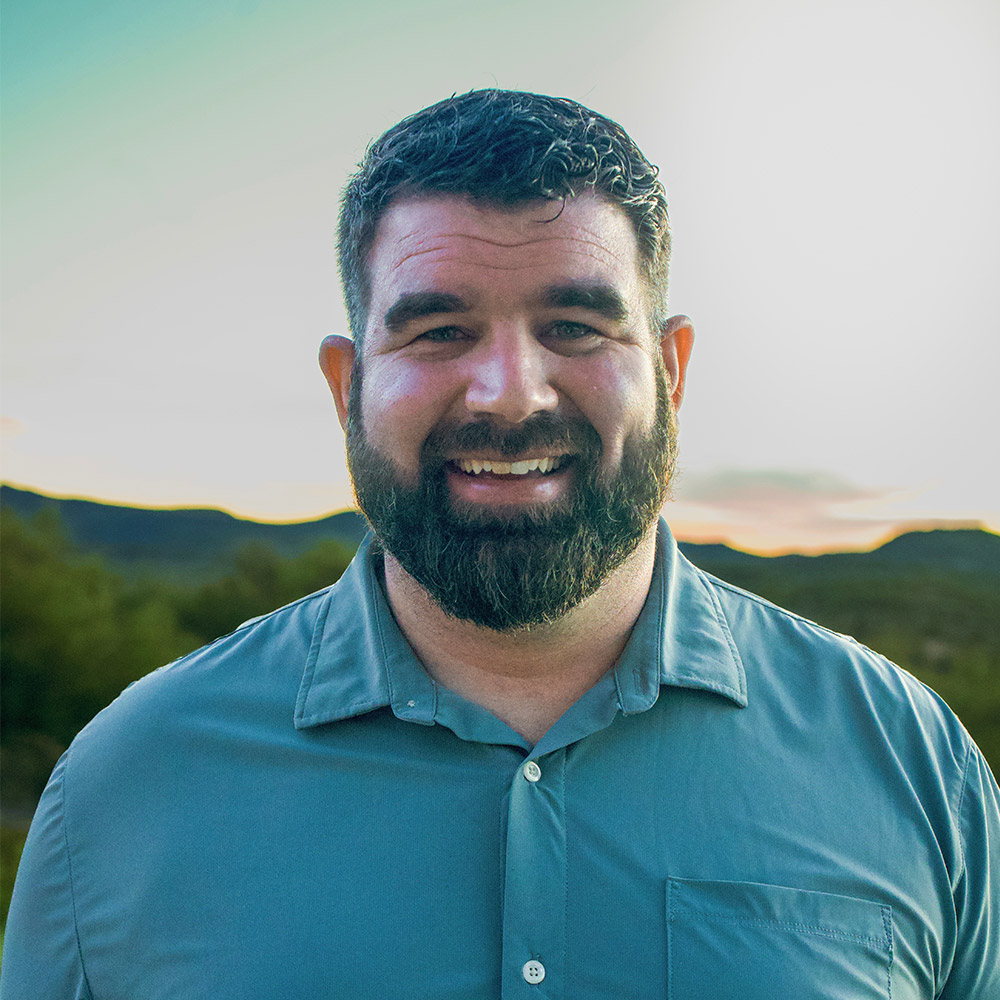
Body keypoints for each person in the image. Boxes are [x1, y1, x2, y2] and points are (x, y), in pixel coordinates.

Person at [2, 90, 997, 999]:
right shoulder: (124, 788)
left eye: (572, 324)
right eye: (438, 331)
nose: (510, 392)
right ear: (346, 385)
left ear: (672, 369)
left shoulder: (912, 768)